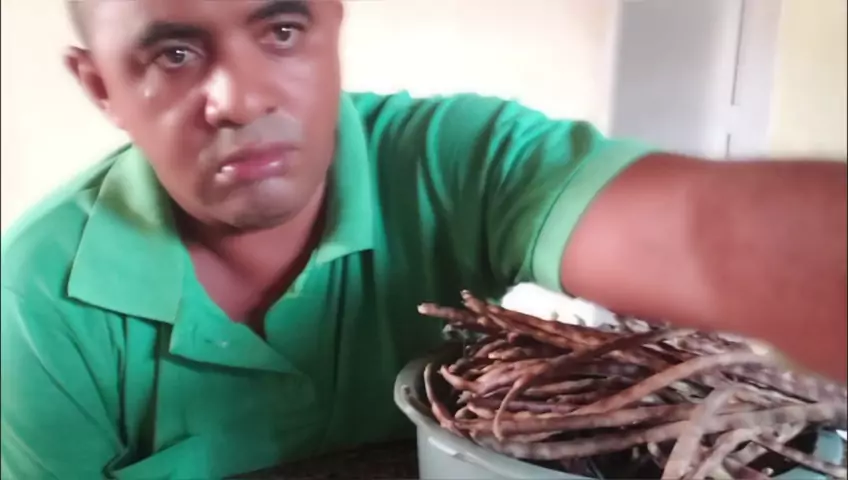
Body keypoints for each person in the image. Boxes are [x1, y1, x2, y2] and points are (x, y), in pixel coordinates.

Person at [1, 0, 845, 478]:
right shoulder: (37, 301)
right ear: (101, 86)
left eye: (281, 30)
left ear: (332, 25)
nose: (243, 98)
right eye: (174, 54)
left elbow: (701, 235)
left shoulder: (459, 162)